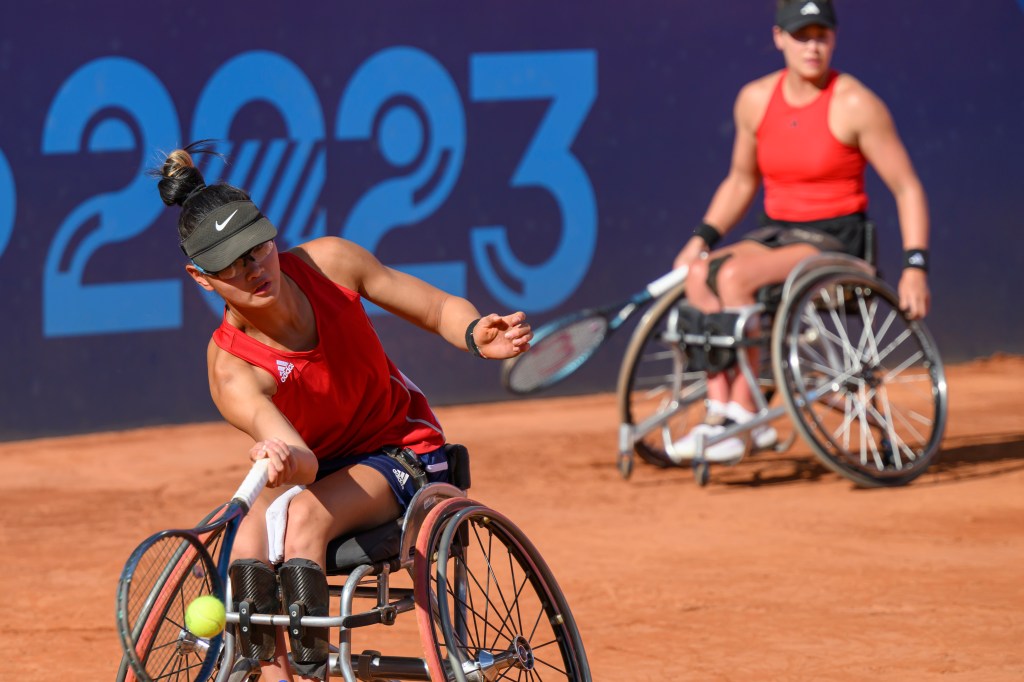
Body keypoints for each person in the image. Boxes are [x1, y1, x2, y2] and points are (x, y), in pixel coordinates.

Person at [152, 141, 532, 681]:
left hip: (404, 450)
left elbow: (436, 307)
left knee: (303, 519)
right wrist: (282, 457)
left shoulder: (331, 263)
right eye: (229, 266)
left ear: (270, 234)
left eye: (257, 249)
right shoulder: (232, 369)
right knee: (248, 540)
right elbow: (303, 462)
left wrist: (474, 332)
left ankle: (311, 672)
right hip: (317, 468)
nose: (253, 269)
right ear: (201, 277)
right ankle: (275, 674)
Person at [670, 0, 931, 464]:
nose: (812, 47)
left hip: (836, 242)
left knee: (734, 277)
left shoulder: (856, 103)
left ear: (834, 38)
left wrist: (916, 265)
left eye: (821, 36)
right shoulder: (754, 100)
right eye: (801, 36)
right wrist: (700, 240)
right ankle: (722, 411)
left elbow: (906, 186)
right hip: (779, 234)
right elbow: (741, 181)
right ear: (778, 38)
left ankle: (744, 415)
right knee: (698, 274)